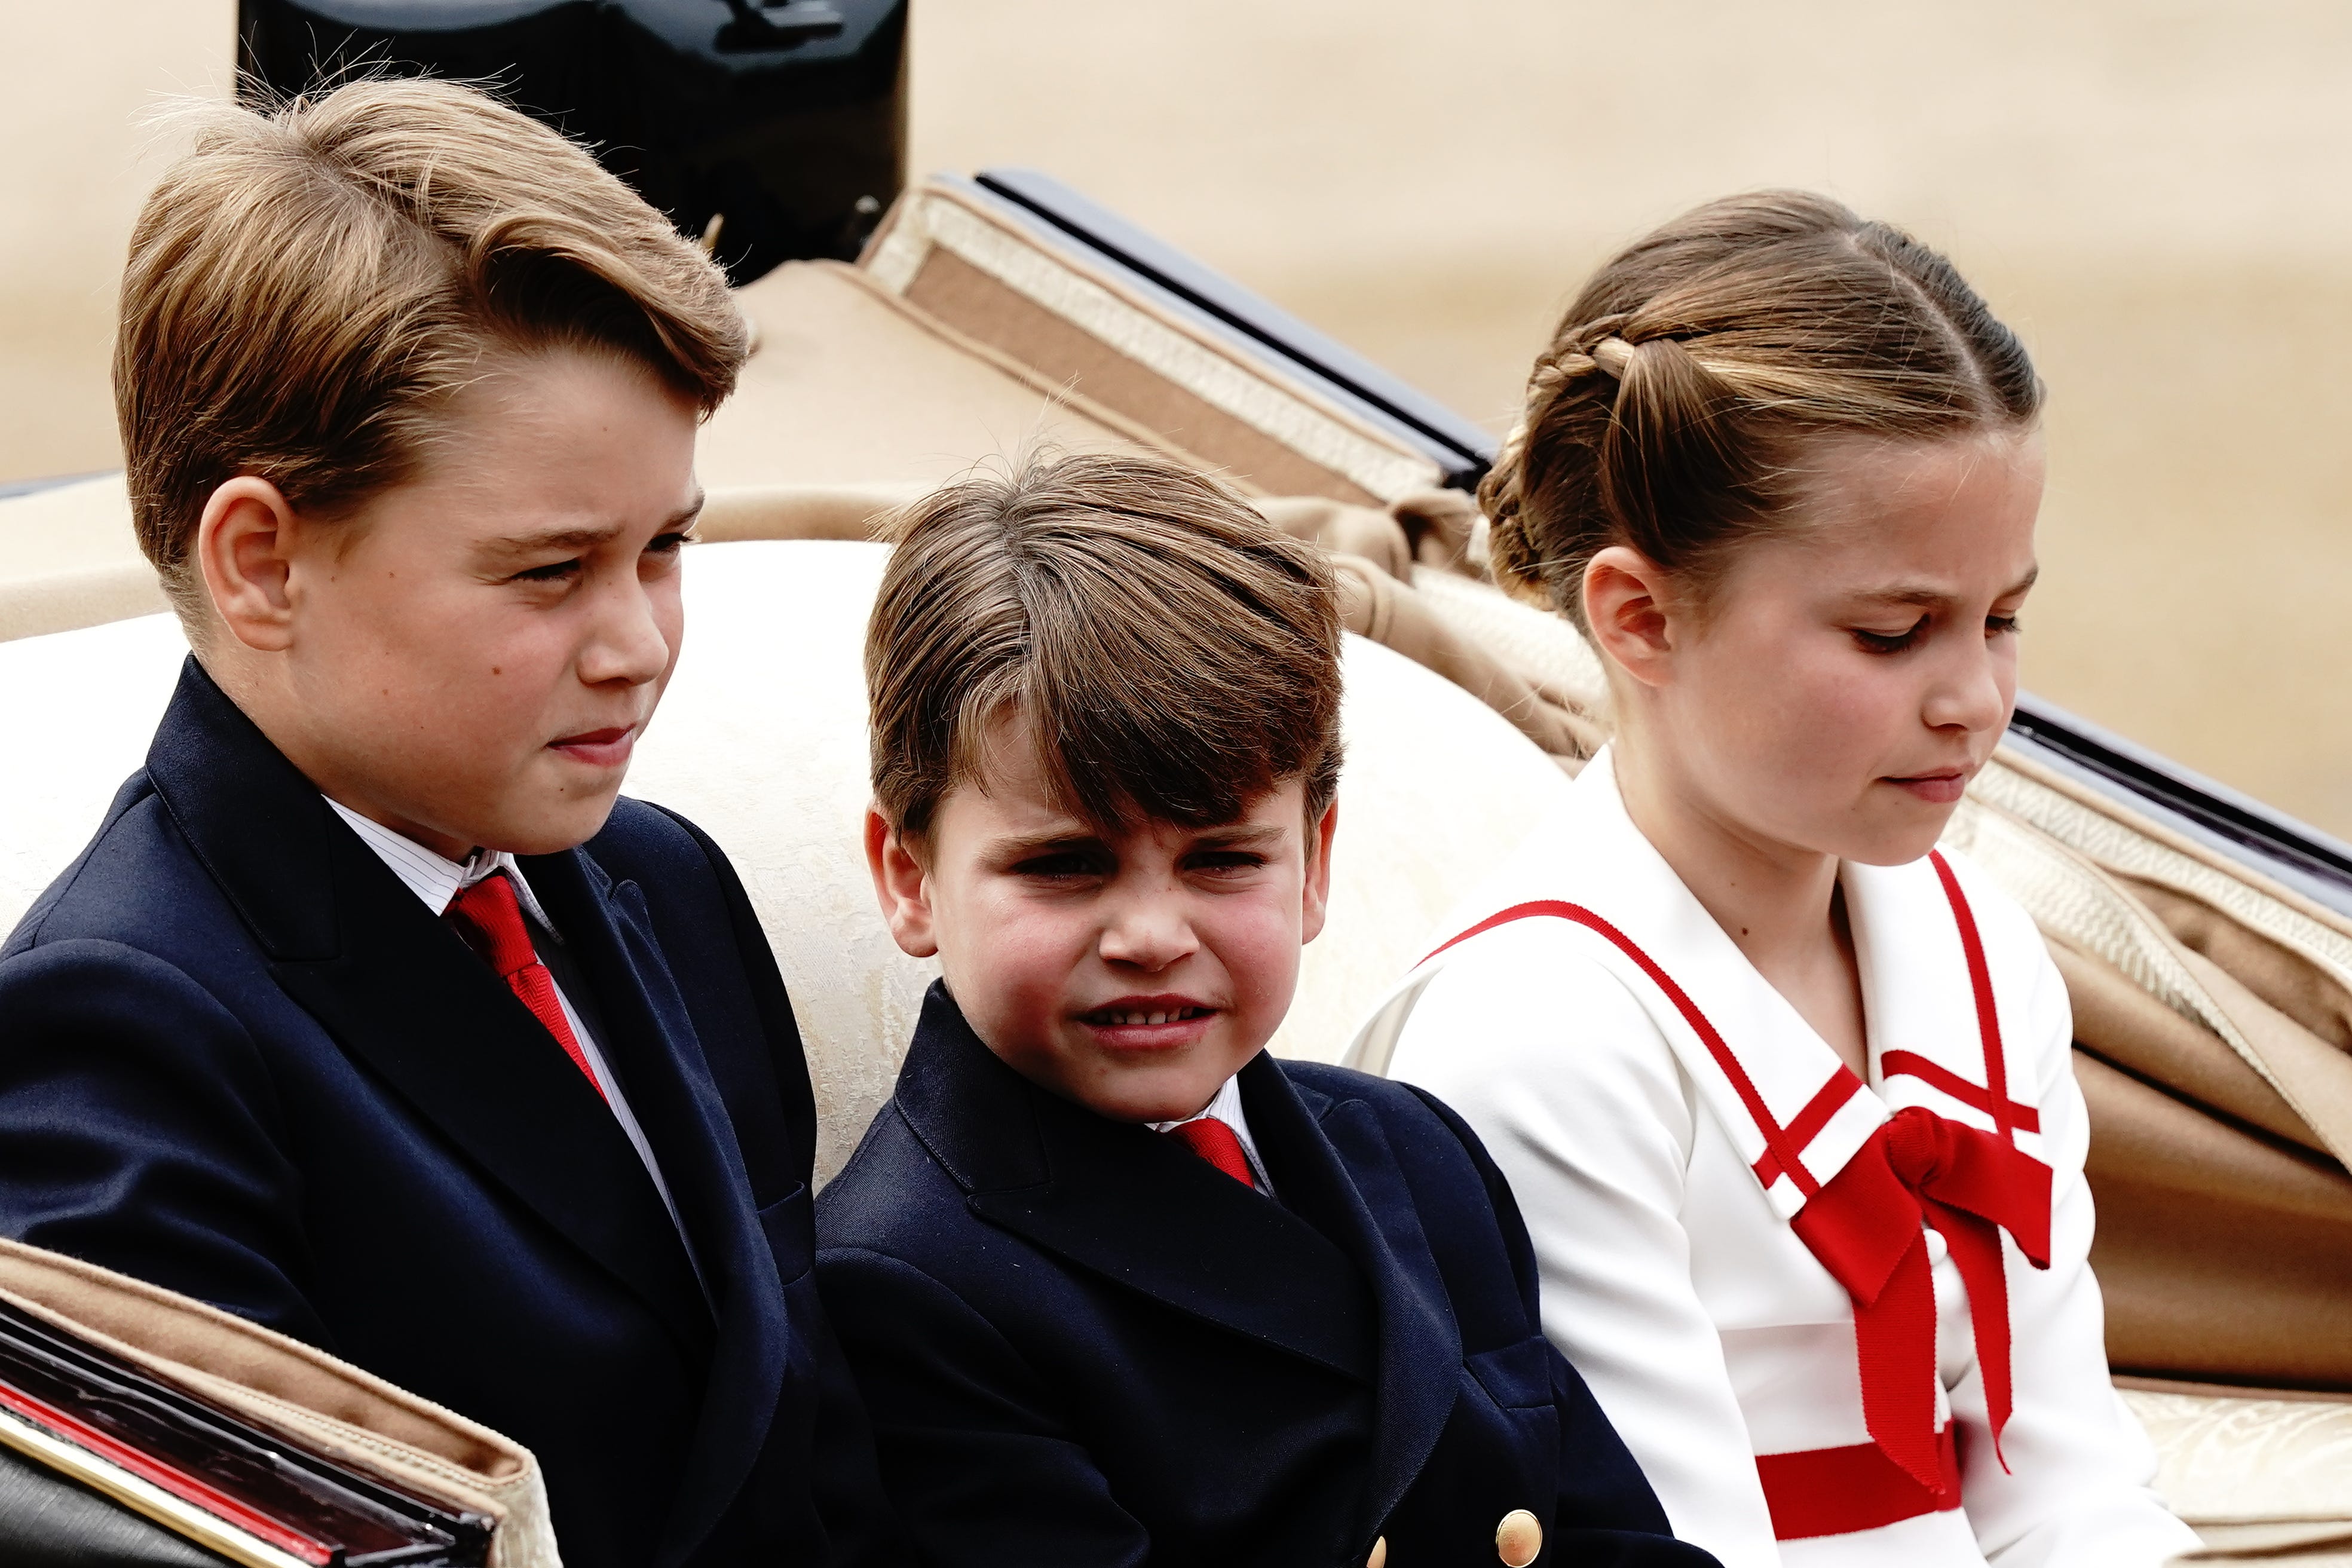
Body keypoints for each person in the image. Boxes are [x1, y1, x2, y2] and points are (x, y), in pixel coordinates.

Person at [0, 79, 896, 1568]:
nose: (638, 643)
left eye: (664, 547)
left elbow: (817, 1454)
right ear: (262, 562)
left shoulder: (664, 885)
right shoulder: (117, 1036)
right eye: (550, 572)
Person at [1348, 192, 2203, 1568]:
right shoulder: (1535, 1039)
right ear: (1640, 615)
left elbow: (2068, 1486)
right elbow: (1673, 1544)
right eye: (1892, 632)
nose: (1975, 700)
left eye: (2003, 617)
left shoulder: (1982, 954)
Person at [814, 451, 1719, 1568]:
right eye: (1064, 866)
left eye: (1224, 859)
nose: (1150, 937)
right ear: (910, 878)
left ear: (1315, 865)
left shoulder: (1413, 1152)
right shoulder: (903, 1290)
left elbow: (1614, 1536)